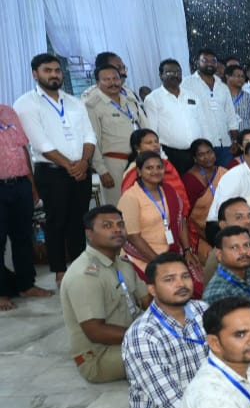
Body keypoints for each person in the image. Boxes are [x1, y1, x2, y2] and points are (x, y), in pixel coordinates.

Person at [14, 54, 97, 289]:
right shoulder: (26, 104)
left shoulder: (73, 101)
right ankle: (60, 273)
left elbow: (89, 135)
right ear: (35, 74)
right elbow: (39, 143)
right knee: (56, 222)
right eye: (47, 70)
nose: (54, 75)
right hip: (51, 172)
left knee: (79, 221)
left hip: (81, 169)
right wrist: (70, 165)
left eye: (57, 70)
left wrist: (83, 162)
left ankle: (80, 268)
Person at [121, 253, 208, 408]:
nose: (181, 284)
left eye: (185, 276)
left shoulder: (203, 311)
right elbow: (173, 403)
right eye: (169, 279)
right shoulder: (143, 335)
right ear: (152, 289)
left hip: (211, 400)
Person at [60, 205, 150, 382]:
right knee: (167, 351)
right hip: (99, 357)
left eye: (120, 224)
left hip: (129, 339)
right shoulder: (84, 275)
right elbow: (96, 332)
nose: (117, 229)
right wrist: (148, 336)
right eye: (107, 225)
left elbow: (147, 301)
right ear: (89, 234)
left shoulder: (123, 263)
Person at [117, 152, 200, 283]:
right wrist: (159, 263)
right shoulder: (131, 197)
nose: (155, 171)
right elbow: (133, 237)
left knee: (197, 285)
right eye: (149, 168)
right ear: (139, 171)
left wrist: (187, 251)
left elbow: (181, 220)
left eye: (159, 167)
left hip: (172, 252)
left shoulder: (169, 191)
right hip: (143, 258)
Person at [0, 103, 51, 310]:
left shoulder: (8, 112)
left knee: (23, 237)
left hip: (20, 183)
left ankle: (26, 285)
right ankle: (1, 293)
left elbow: (23, 149)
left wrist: (31, 184)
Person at [85, 64, 147, 204]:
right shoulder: (92, 106)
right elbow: (93, 140)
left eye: (115, 78)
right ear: (97, 82)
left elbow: (144, 127)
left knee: (142, 203)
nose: (112, 83)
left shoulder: (130, 101)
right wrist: (102, 170)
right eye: (106, 79)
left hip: (139, 160)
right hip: (114, 164)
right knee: (119, 204)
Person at [203, 225, 250, 321]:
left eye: (247, 245)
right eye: (234, 247)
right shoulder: (219, 294)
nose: (243, 251)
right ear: (219, 254)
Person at [183, 49, 240, 167]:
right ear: (197, 62)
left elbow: (231, 115)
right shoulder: (186, 85)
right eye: (205, 60)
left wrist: (235, 140)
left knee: (227, 174)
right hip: (201, 146)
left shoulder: (223, 87)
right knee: (206, 177)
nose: (210, 64)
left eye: (213, 61)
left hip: (225, 144)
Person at [182, 139, 227, 261]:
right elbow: (187, 215)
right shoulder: (190, 180)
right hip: (200, 232)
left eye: (209, 152)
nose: (207, 157)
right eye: (201, 154)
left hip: (226, 225)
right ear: (195, 158)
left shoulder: (223, 173)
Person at [223, 63, 250, 133]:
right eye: (238, 76)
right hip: (225, 135)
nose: (241, 79)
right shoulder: (220, 96)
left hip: (246, 136)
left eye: (242, 77)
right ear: (227, 77)